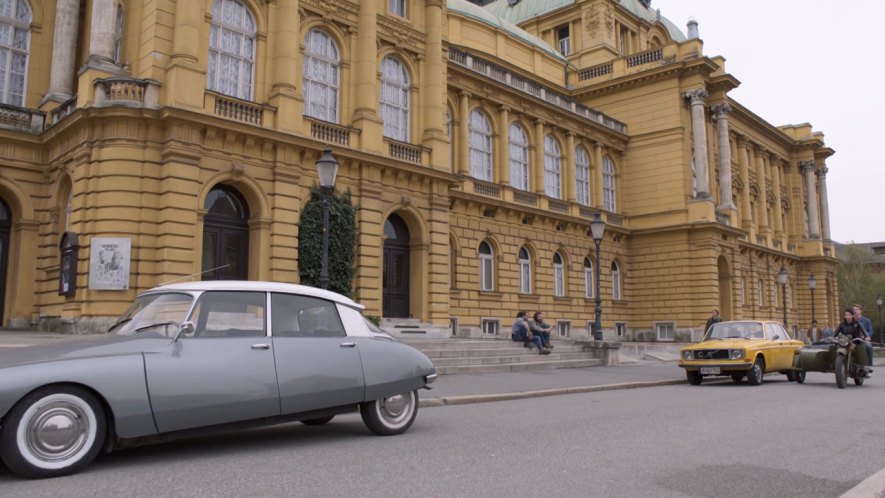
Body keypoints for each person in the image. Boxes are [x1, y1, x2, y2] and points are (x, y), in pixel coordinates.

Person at [836, 308, 873, 376]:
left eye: (849, 315)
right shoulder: (842, 324)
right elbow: (836, 332)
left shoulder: (857, 323)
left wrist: (867, 337)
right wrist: (831, 337)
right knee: (835, 347)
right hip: (845, 342)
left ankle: (865, 366)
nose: (847, 316)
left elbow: (864, 331)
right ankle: (836, 364)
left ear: (852, 315)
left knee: (865, 347)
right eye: (846, 315)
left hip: (856, 342)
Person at [852, 304, 875, 376]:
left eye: (857, 309)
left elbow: (870, 331)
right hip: (852, 340)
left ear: (861, 311)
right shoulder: (850, 320)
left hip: (862, 340)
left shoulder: (866, 321)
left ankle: (868, 365)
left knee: (868, 346)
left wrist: (867, 337)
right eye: (854, 309)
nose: (855, 311)